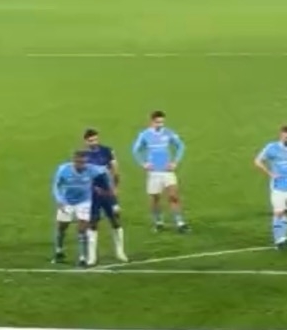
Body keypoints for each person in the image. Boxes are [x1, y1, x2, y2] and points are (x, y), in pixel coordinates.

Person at [130, 110, 188, 233]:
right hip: (154, 172)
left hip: (167, 170)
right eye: (157, 122)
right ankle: (158, 222)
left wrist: (175, 162)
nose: (160, 125)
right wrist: (143, 163)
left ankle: (180, 223)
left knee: (173, 196)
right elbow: (135, 150)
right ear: (151, 122)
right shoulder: (145, 135)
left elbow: (181, 146)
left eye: (162, 122)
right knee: (155, 199)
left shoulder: (168, 133)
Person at [51, 150, 108, 266]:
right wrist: (59, 200)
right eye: (79, 162)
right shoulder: (64, 169)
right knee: (62, 227)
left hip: (84, 202)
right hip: (66, 202)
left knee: (82, 229)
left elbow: (105, 172)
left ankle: (82, 257)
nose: (82, 165)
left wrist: (105, 188)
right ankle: (58, 251)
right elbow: (56, 185)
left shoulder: (92, 169)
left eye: (84, 162)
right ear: (74, 161)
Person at [254, 126, 287, 249]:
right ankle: (278, 240)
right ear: (281, 135)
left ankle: (284, 237)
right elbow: (258, 161)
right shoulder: (272, 148)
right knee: (278, 212)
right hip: (278, 186)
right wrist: (270, 173)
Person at [82, 128, 127, 265]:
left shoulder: (107, 151)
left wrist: (116, 188)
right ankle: (92, 257)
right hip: (92, 194)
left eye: (95, 139)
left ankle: (120, 252)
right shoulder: (83, 155)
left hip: (107, 192)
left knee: (115, 219)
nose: (94, 142)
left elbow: (115, 171)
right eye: (91, 141)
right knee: (93, 222)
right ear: (85, 141)